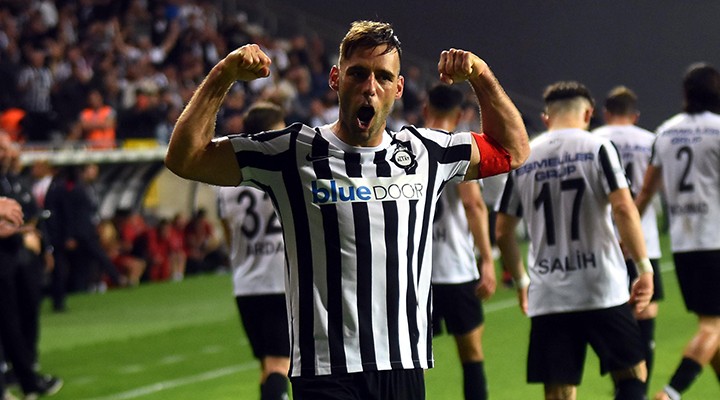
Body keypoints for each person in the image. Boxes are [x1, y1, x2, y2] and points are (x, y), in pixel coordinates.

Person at [165, 20, 529, 399]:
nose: (370, 87)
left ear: (398, 89)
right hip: (325, 370)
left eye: (383, 77)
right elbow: (185, 158)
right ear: (336, 79)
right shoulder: (292, 152)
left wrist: (480, 75)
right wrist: (223, 75)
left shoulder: (425, 152)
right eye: (358, 73)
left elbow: (513, 150)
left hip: (402, 364)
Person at [495, 81, 654, 400]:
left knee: (559, 391)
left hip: (550, 293)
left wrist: (522, 281)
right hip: (601, 288)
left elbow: (502, 231)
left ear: (546, 118)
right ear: (588, 114)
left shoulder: (525, 156)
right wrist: (644, 267)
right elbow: (624, 207)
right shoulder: (597, 147)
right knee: (633, 374)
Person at [634, 63, 720, 400]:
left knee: (711, 325)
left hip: (685, 246)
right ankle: (670, 394)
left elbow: (646, 191)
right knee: (712, 327)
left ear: (686, 93)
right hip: (716, 239)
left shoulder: (666, 132)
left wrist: (627, 234)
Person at [592, 86, 665, 393]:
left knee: (612, 314)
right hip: (643, 241)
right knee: (646, 312)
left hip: (604, 242)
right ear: (635, 115)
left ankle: (621, 385)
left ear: (605, 113)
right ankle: (639, 390)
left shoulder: (593, 140)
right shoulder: (650, 140)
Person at [217, 101, 290, 400]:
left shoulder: (227, 182)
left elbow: (228, 237)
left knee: (266, 366)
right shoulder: (286, 171)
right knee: (280, 364)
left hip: (246, 285)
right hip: (280, 282)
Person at [426, 84, 495, 400]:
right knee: (471, 355)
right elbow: (473, 204)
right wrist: (487, 259)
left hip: (416, 272)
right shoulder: (456, 147)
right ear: (458, 116)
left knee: (409, 362)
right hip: (454, 269)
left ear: (426, 109)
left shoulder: (406, 145)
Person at [0, 132, 63, 399]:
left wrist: (39, 241)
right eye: (3, 148)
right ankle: (23, 379)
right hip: (8, 257)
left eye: (8, 148)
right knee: (10, 321)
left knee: (20, 317)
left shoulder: (14, 180)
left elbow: (31, 216)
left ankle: (24, 375)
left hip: (17, 256)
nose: (8, 153)